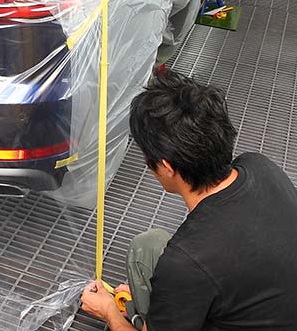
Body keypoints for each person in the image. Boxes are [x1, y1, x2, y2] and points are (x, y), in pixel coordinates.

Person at [80, 69, 297, 330]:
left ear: (166, 166)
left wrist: (109, 313)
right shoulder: (259, 166)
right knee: (147, 247)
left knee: (158, 263)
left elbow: (191, 267)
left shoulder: (184, 262)